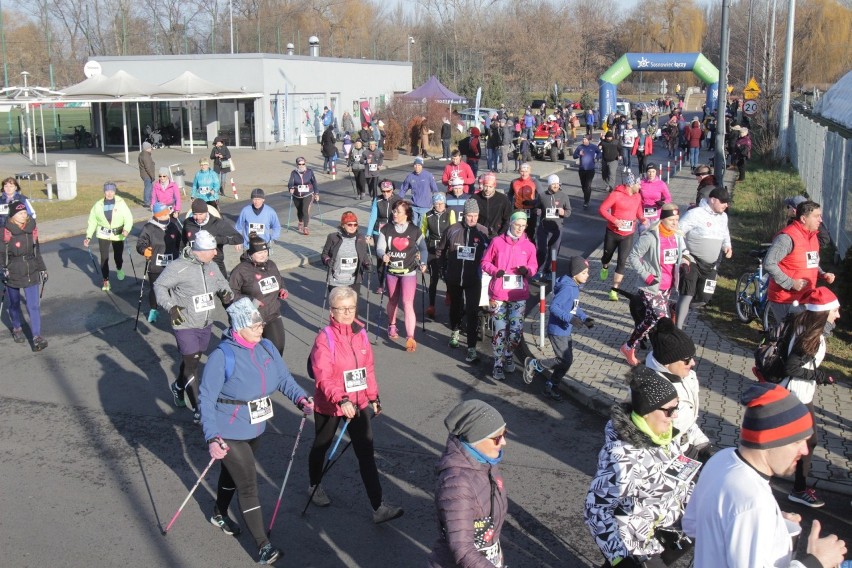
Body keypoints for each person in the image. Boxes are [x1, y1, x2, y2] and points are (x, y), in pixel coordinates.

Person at [199, 298, 314, 565]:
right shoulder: (222, 356)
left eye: (260, 322)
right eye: (254, 324)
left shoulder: (267, 347)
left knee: (233, 473)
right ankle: (263, 546)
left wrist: (301, 398)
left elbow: (284, 378)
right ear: (239, 327)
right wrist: (212, 436)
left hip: (255, 425)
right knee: (248, 484)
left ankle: (218, 512)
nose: (261, 327)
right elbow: (206, 398)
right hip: (228, 428)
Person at [683, 383, 847, 568]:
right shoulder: (754, 501)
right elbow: (746, 509)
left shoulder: (721, 459)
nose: (804, 450)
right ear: (768, 441)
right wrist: (816, 562)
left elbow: (692, 525)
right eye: (797, 442)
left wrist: (771, 524)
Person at [307, 286, 404, 524]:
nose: (348, 313)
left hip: (358, 403)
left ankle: (378, 506)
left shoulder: (360, 333)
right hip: (331, 404)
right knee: (322, 445)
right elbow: (323, 376)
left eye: (351, 307)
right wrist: (341, 399)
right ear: (332, 311)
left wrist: (373, 397)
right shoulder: (324, 338)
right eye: (342, 309)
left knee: (366, 454)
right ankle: (313, 485)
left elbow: (367, 369)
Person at [585, 368, 695, 567]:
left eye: (677, 407)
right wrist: (619, 558)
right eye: (670, 410)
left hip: (665, 534)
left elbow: (677, 474)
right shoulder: (622, 457)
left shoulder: (666, 436)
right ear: (646, 413)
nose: (675, 415)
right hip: (636, 548)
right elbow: (596, 510)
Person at [154, 230, 233, 420]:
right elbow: (159, 285)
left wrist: (227, 296)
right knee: (192, 364)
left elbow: (223, 285)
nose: (216, 253)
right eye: (212, 250)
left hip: (205, 324)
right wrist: (171, 307)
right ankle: (199, 410)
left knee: (194, 361)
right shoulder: (178, 267)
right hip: (185, 323)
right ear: (199, 250)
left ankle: (178, 386)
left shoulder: (211, 265)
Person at [777, 287, 841, 508]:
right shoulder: (810, 337)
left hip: (800, 394)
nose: (838, 315)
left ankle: (799, 486)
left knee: (805, 441)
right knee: (808, 441)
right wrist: (820, 376)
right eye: (835, 310)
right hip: (796, 395)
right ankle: (798, 489)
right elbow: (792, 367)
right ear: (823, 312)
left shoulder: (805, 326)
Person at [427, 399, 509, 567]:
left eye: (504, 434)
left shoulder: (487, 465)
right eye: (497, 438)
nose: (503, 442)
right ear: (476, 439)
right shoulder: (457, 482)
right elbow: (463, 550)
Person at [621, 203, 691, 367]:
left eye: (677, 219)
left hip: (667, 286)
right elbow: (633, 256)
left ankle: (632, 347)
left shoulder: (677, 236)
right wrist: (646, 275)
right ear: (663, 219)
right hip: (650, 287)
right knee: (661, 318)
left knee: (650, 320)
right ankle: (640, 349)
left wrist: (686, 262)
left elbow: (684, 252)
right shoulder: (651, 237)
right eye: (672, 220)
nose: (675, 223)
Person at [524, 257, 594, 401]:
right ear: (576, 273)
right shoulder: (568, 288)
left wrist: (584, 317)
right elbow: (554, 307)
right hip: (557, 330)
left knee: (566, 361)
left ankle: (551, 385)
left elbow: (574, 307)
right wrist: (570, 319)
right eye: (584, 272)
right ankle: (536, 364)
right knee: (563, 359)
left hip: (565, 330)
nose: (587, 275)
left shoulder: (574, 286)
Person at [644, 317, 712, 459]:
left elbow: (687, 423)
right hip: (665, 458)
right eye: (687, 359)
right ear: (668, 362)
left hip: (683, 448)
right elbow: (654, 441)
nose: (693, 363)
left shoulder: (687, 377)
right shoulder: (653, 392)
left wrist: (702, 443)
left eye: (693, 357)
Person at [481, 211, 538, 381]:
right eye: (517, 225)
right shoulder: (497, 242)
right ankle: (497, 364)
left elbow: (534, 266)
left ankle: (508, 354)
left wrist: (527, 271)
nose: (520, 228)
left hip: (518, 295)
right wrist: (494, 271)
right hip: (498, 294)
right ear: (511, 224)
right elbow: (485, 262)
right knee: (499, 331)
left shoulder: (529, 246)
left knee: (515, 333)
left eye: (523, 225)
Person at [765, 200, 835, 323]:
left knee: (800, 336)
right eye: (816, 216)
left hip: (806, 298)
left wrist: (823, 274)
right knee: (792, 337)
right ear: (803, 218)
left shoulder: (813, 237)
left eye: (820, 216)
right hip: (786, 299)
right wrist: (791, 283)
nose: (820, 220)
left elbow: (810, 263)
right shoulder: (786, 238)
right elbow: (769, 264)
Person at [438, 199, 489, 363]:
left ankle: (471, 348)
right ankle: (455, 330)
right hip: (454, 277)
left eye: (475, 216)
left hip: (474, 278)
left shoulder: (483, 231)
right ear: (463, 215)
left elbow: (490, 253)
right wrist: (443, 269)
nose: (473, 219)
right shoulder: (453, 230)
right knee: (455, 307)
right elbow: (440, 250)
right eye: (469, 216)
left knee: (473, 312)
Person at [674, 186, 732, 327]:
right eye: (723, 202)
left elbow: (725, 233)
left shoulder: (723, 217)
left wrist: (727, 246)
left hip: (710, 265)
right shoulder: (696, 214)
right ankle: (678, 329)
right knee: (687, 294)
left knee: (704, 299)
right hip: (692, 260)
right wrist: (684, 253)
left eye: (727, 202)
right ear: (713, 200)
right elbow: (678, 232)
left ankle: (675, 309)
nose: (726, 205)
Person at [376, 200, 428, 352]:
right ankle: (392, 325)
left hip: (409, 272)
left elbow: (423, 249)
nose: (394, 214)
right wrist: (382, 255)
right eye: (394, 211)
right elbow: (380, 248)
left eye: (398, 211)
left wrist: (423, 263)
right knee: (392, 300)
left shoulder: (415, 230)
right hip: (392, 272)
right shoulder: (386, 229)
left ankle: (410, 337)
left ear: (406, 214)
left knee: (407, 303)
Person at [229, 234, 290, 355]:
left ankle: (273, 372)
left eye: (265, 251)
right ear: (251, 254)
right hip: (251, 317)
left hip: (272, 313)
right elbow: (230, 294)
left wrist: (282, 289)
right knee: (251, 352)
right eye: (259, 253)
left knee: (277, 349)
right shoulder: (240, 270)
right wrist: (252, 301)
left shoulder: (271, 264)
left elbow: (279, 279)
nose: (263, 255)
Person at [1, 200, 48, 351]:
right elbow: (1, 254)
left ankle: (37, 336)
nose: (24, 215)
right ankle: (16, 328)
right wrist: (2, 270)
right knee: (14, 304)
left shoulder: (32, 228)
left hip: (31, 269)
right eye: (20, 213)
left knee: (33, 305)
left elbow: (36, 251)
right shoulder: (5, 231)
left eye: (24, 212)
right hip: (12, 271)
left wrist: (42, 269)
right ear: (13, 216)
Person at [598, 172, 646, 301]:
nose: (640, 186)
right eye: (638, 183)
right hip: (613, 232)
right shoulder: (615, 195)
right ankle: (605, 266)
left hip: (628, 234)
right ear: (631, 184)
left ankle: (614, 290)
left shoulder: (637, 196)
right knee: (606, 256)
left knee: (622, 261)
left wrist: (643, 219)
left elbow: (638, 211)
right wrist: (614, 220)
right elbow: (602, 209)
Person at [136, 203, 182, 323]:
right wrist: (144, 250)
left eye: (168, 213)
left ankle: (176, 310)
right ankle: (153, 309)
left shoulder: (173, 226)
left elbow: (180, 243)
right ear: (157, 215)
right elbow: (141, 243)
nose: (167, 215)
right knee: (155, 288)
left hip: (173, 264)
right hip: (156, 265)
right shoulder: (148, 228)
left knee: (175, 289)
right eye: (164, 214)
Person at [83, 181, 133, 292]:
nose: (109, 193)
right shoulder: (98, 205)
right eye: (107, 191)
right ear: (104, 192)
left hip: (118, 234)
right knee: (104, 258)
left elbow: (128, 217)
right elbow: (92, 221)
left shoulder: (121, 202)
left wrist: (126, 229)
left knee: (118, 256)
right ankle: (106, 280)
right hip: (103, 234)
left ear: (114, 191)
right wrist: (88, 237)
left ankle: (119, 268)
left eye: (111, 191)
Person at [183, 199, 243, 279]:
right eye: (195, 214)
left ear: (206, 212)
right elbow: (182, 242)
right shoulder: (188, 223)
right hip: (195, 265)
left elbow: (238, 238)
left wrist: (215, 240)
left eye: (201, 214)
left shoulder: (217, 223)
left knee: (222, 290)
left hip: (215, 263)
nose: (197, 217)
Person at [320, 211, 372, 295]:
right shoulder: (333, 237)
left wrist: (366, 263)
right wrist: (327, 260)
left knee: (352, 307)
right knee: (338, 307)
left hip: (354, 281)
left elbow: (363, 255)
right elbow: (324, 254)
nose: (353, 227)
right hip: (336, 280)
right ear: (343, 225)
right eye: (349, 224)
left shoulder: (360, 238)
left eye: (355, 224)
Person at [421, 192, 454, 320]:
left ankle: (449, 293)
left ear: (445, 203)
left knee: (447, 275)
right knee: (433, 278)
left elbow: (454, 229)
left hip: (446, 247)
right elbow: (422, 232)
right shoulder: (427, 215)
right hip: (432, 248)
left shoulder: (449, 213)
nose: (439, 206)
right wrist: (420, 247)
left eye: (441, 203)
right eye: (436, 204)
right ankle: (431, 305)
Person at [532, 174, 571, 281]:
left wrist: (564, 212)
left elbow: (569, 211)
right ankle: (537, 270)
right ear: (549, 184)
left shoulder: (563, 196)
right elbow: (536, 207)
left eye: (557, 183)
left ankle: (548, 271)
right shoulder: (542, 196)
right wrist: (537, 211)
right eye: (553, 183)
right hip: (544, 227)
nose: (555, 185)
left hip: (557, 228)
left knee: (553, 251)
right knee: (542, 250)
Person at [400, 156, 440, 226]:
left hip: (425, 207)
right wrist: (399, 201)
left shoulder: (428, 176)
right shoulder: (410, 176)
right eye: (415, 165)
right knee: (412, 227)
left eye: (419, 165)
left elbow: (435, 190)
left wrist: (436, 203)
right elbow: (403, 189)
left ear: (422, 165)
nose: (417, 167)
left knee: (422, 227)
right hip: (414, 206)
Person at [471, 173, 512, 239]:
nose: (487, 189)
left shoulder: (503, 199)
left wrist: (501, 234)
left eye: (490, 187)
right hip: (479, 234)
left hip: (497, 234)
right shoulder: (474, 198)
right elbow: (469, 217)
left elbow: (508, 219)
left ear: (494, 186)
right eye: (485, 186)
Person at [506, 162, 540, 240]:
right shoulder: (514, 182)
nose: (524, 174)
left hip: (531, 211)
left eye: (526, 172)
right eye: (522, 171)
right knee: (517, 232)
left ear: (530, 171)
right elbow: (510, 194)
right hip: (518, 210)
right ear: (519, 171)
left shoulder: (535, 182)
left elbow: (541, 197)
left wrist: (533, 203)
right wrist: (509, 206)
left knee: (530, 233)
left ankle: (530, 249)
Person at [286, 158, 319, 235]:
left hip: (308, 193)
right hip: (296, 194)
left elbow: (314, 182)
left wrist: (316, 193)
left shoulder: (309, 172)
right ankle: (300, 221)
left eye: (303, 164)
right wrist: (291, 188)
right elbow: (290, 183)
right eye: (299, 164)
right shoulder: (293, 173)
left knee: (305, 210)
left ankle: (305, 227)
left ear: (305, 164)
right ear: (297, 164)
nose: (301, 166)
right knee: (299, 210)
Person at [572, 136, 602, 209]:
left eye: (585, 139)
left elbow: (599, 153)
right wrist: (579, 154)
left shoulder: (593, 147)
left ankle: (586, 201)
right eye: (583, 139)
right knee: (583, 185)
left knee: (588, 185)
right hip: (582, 169)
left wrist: (597, 158)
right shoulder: (580, 147)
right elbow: (574, 156)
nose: (583, 140)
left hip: (590, 169)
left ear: (588, 140)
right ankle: (586, 196)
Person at [639, 164, 671, 229]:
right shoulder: (641, 183)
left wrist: (663, 203)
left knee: (655, 235)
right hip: (644, 215)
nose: (651, 174)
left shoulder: (661, 184)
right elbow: (636, 197)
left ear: (656, 172)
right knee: (644, 236)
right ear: (646, 172)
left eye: (653, 171)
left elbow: (668, 198)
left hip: (657, 215)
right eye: (649, 172)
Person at [138, 141, 156, 206]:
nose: (151, 149)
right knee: (148, 188)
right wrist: (152, 176)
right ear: (147, 148)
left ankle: (151, 200)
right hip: (147, 175)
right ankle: (147, 202)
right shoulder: (146, 156)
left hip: (145, 174)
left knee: (150, 188)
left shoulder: (143, 154)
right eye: (150, 147)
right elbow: (148, 167)